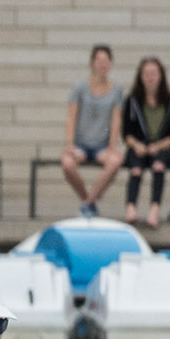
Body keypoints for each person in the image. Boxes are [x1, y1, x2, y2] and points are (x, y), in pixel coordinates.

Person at [60, 44, 125, 216]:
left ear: (110, 64)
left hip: (101, 147)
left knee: (115, 161)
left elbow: (116, 119)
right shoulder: (80, 88)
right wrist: (70, 144)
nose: (102, 64)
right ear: (92, 63)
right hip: (81, 144)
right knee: (67, 164)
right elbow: (71, 117)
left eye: (106, 61)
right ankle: (89, 201)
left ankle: (88, 203)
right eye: (99, 60)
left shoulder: (117, 90)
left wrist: (112, 145)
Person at [120, 56, 170, 229]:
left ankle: (154, 209)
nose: (150, 77)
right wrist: (137, 145)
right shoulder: (132, 101)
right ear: (140, 76)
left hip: (161, 147)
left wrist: (157, 146)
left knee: (158, 166)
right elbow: (126, 133)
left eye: (154, 73)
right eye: (146, 73)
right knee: (136, 168)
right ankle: (131, 207)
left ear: (161, 76)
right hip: (138, 146)